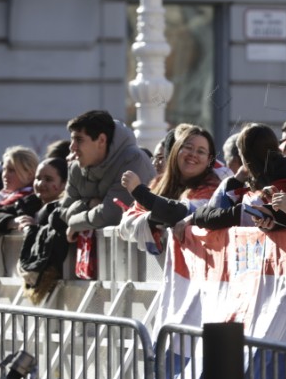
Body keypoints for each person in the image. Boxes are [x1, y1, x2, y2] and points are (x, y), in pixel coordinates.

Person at [119, 126, 222, 253]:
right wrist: (151, 219)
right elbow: (126, 223)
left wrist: (139, 192)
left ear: (209, 160)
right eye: (188, 147)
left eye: (201, 152)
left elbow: (181, 212)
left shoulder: (213, 188)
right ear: (176, 150)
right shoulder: (158, 183)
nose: (193, 154)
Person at [59, 110, 155, 242]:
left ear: (101, 140)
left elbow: (111, 215)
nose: (72, 147)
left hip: (140, 255)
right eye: (72, 139)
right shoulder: (76, 167)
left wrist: (74, 223)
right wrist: (88, 203)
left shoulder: (132, 159)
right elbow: (63, 213)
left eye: (79, 140)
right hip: (99, 258)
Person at [17, 157, 70, 304]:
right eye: (38, 178)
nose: (40, 184)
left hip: (64, 293)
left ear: (64, 184)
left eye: (48, 179)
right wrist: (12, 222)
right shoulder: (25, 205)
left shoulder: (64, 211)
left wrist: (37, 226)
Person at [0, 146, 41, 237]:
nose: (5, 175)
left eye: (11, 170)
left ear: (29, 174)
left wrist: (9, 222)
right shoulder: (0, 196)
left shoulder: (31, 200)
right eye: (4, 169)